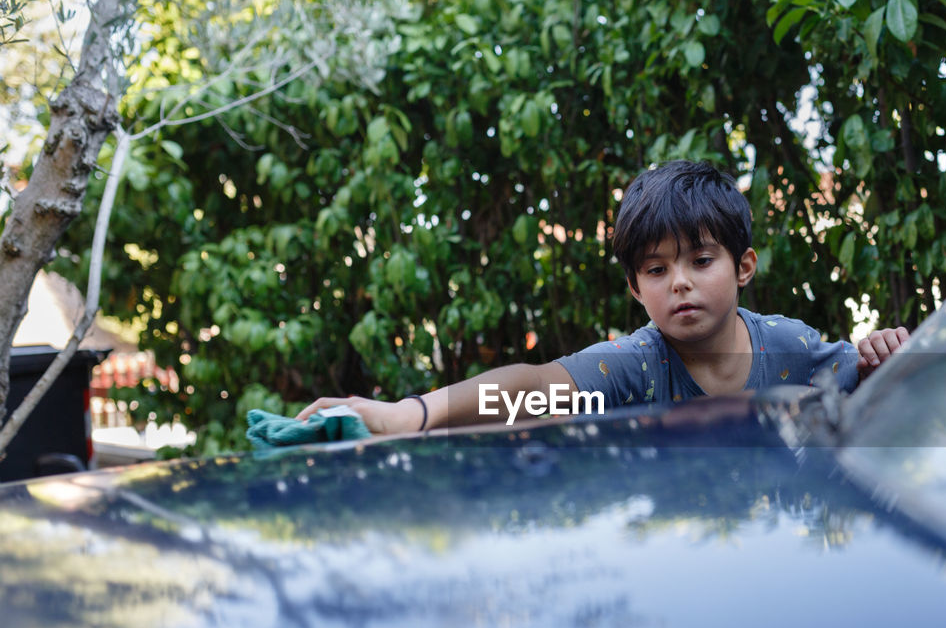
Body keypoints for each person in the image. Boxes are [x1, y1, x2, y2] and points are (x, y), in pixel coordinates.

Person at [297, 160, 909, 433]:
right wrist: (410, 414)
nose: (679, 282)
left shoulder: (791, 346)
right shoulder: (634, 366)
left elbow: (875, 378)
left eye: (700, 260)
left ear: (743, 265)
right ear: (634, 286)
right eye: (655, 268)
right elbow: (532, 391)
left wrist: (887, 351)